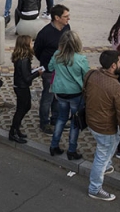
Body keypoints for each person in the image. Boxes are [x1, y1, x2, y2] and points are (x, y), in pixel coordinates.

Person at [84, 50, 120, 201]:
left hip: (91, 121)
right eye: (119, 61)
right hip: (106, 128)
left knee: (104, 150)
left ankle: (107, 165)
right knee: (101, 156)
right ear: (113, 65)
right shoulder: (118, 88)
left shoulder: (90, 75)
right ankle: (94, 188)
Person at [48, 30, 89, 160]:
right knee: (75, 122)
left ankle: (54, 145)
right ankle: (71, 150)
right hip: (76, 94)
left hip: (60, 92)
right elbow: (86, 77)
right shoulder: (81, 59)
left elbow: (49, 68)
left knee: (61, 118)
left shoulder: (57, 55)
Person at [34, 4, 71, 134]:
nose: (68, 19)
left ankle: (56, 119)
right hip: (49, 71)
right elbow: (37, 50)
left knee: (59, 96)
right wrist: (46, 63)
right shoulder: (45, 33)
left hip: (63, 69)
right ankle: (44, 123)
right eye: (65, 16)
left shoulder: (67, 28)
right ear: (56, 17)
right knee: (48, 97)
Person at [10, 35, 42, 144]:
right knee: (21, 109)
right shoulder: (24, 59)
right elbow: (27, 77)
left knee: (25, 107)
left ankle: (16, 128)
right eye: (31, 43)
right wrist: (38, 73)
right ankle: (13, 131)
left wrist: (30, 70)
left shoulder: (21, 57)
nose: (32, 45)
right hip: (22, 87)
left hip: (20, 86)